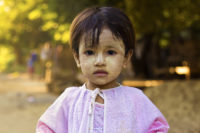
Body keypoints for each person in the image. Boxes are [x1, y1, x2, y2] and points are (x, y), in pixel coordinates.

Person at [36, 6, 169, 133]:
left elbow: (157, 128)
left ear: (126, 58)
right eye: (89, 52)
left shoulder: (135, 100)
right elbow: (47, 128)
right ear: (77, 58)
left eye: (110, 52)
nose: (100, 61)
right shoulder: (69, 100)